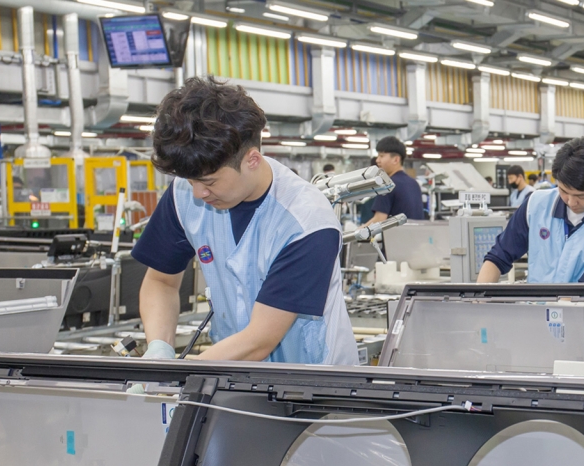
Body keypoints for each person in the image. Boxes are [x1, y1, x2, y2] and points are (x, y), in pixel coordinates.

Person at [131, 77, 357, 365]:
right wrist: (159, 349)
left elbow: (258, 340)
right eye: (190, 180)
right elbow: (161, 281)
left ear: (252, 160)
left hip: (312, 381)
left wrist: (176, 377)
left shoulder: (306, 222)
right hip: (231, 372)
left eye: (209, 181)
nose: (198, 194)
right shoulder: (182, 195)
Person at [477, 137, 584, 284]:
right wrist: (479, 299)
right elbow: (498, 257)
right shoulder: (535, 205)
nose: (571, 202)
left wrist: (555, 305)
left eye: (581, 196)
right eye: (564, 191)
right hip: (537, 303)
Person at [365, 136, 424, 225]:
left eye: (381, 156)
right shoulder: (414, 184)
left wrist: (356, 231)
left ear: (396, 159)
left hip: (396, 234)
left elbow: (378, 221)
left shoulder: (388, 185)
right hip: (416, 233)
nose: (377, 160)